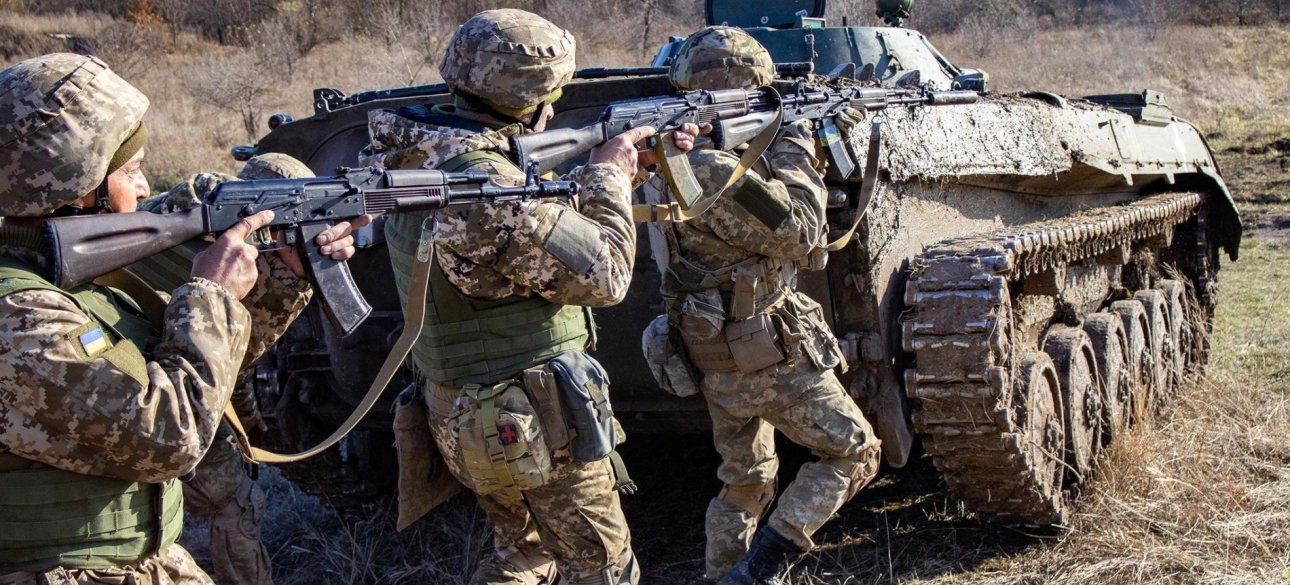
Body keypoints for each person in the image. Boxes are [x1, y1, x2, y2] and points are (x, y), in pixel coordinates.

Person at [0, 53, 365, 585]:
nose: (146, 188)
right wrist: (211, 294)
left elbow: (197, 373)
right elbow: (168, 436)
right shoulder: (19, 316)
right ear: (80, 185)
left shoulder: (70, 277)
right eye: (131, 170)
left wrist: (283, 276)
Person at [361, 9, 697, 585]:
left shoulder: (420, 155)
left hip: (468, 409)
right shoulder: (484, 185)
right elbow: (607, 274)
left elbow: (529, 248)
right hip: (529, 416)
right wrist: (609, 175)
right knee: (603, 571)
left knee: (523, 556)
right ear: (536, 98)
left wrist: (628, 173)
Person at [638, 27, 883, 585]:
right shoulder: (712, 168)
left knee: (746, 480)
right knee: (854, 454)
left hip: (709, 348)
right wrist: (794, 143)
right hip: (761, 352)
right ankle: (762, 569)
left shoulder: (667, 159)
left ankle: (723, 576)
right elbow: (802, 232)